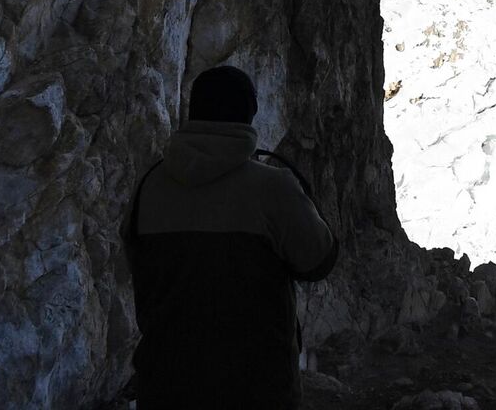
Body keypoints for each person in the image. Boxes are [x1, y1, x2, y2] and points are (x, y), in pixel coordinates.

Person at [123, 65, 337, 409]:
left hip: (165, 385)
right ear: (248, 116)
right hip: (257, 389)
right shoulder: (274, 187)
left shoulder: (149, 186)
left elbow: (136, 264)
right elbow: (319, 260)